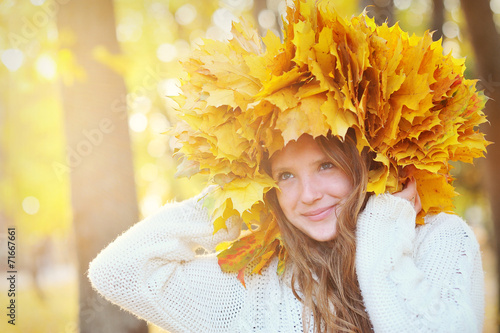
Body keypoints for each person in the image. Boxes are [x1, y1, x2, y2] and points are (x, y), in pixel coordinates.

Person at [88, 1, 487, 332]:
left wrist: (381, 233)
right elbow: (117, 272)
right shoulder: (258, 285)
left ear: (370, 164)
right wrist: (230, 205)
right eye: (285, 176)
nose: (308, 195)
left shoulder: (440, 242)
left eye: (327, 166)